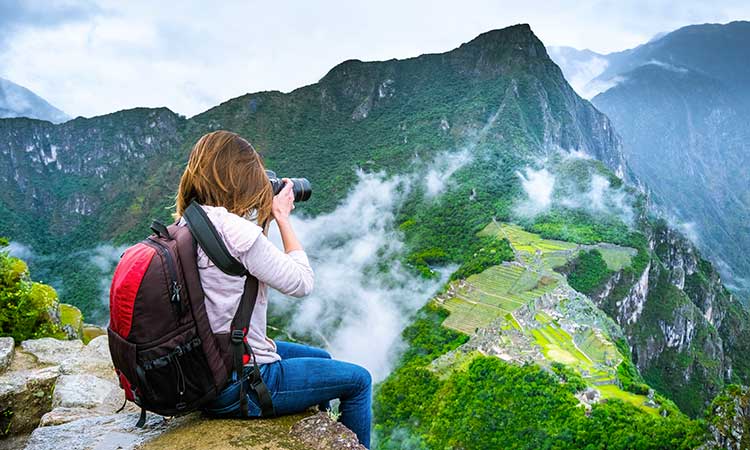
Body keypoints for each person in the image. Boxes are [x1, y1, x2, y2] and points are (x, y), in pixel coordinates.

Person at [173, 130, 372, 448]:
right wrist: (280, 216)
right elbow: (301, 283)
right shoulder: (238, 232)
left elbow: (242, 268)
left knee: (322, 357)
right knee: (359, 380)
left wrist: (258, 213)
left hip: (208, 368)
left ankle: (317, 434)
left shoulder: (190, 221)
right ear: (239, 178)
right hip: (242, 382)